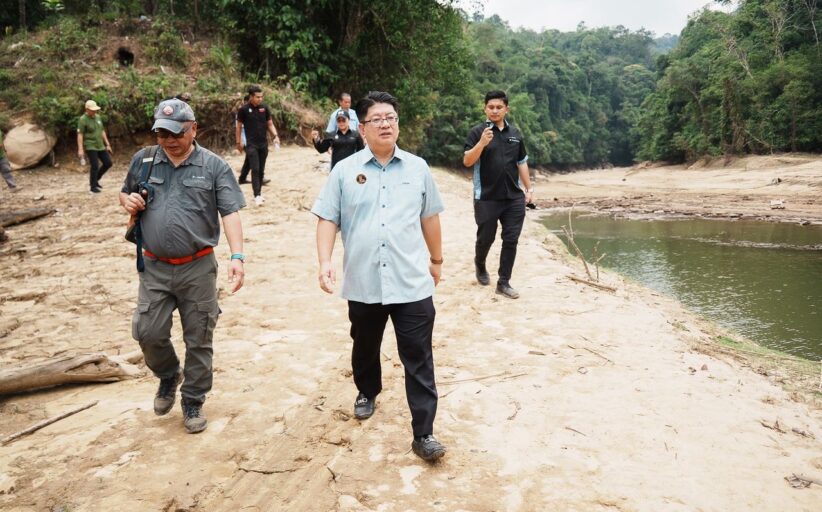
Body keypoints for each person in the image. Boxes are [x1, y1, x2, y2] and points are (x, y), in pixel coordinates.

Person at [312, 91, 447, 462]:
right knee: (365, 345)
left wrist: (436, 260)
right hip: (363, 280)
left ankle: (424, 433)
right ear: (362, 128)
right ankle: (367, 390)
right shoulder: (344, 171)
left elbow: (430, 217)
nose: (386, 124)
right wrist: (324, 261)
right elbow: (328, 218)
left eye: (391, 118)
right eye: (377, 119)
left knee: (418, 356)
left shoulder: (418, 168)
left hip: (411, 281)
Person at [119, 98, 246, 434]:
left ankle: (193, 400)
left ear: (194, 129)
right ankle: (168, 374)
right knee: (147, 332)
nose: (169, 140)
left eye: (176, 133)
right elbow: (125, 193)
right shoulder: (144, 160)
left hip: (198, 268)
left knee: (199, 336)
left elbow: (230, 212)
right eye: (162, 133)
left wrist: (237, 256)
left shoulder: (214, 166)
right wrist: (128, 201)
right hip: (154, 267)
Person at [463, 90, 534, 299]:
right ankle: (480, 264)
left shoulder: (516, 133)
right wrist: (481, 143)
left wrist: (529, 189)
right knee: (486, 238)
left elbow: (522, 163)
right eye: (491, 107)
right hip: (486, 197)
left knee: (511, 239)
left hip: (513, 197)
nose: (495, 111)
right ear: (485, 109)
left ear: (506, 109)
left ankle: (503, 283)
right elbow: (467, 161)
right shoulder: (477, 132)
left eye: (499, 107)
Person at [235, 85, 280, 206]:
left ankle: (258, 192)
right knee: (255, 169)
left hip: (263, 144)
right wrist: (238, 142)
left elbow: (270, 124)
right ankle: (257, 195)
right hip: (251, 144)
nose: (260, 99)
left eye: (261, 97)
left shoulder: (264, 108)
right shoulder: (243, 109)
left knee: (260, 170)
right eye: (257, 97)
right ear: (251, 97)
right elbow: (238, 127)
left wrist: (275, 136)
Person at [77, 99, 113, 193]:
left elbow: (102, 131)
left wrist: (107, 144)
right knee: (95, 165)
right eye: (92, 110)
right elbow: (80, 134)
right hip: (90, 145)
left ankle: (96, 179)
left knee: (108, 163)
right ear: (87, 109)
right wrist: (80, 149)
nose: (94, 111)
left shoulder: (98, 117)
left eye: (95, 110)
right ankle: (93, 187)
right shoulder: (83, 119)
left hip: (100, 145)